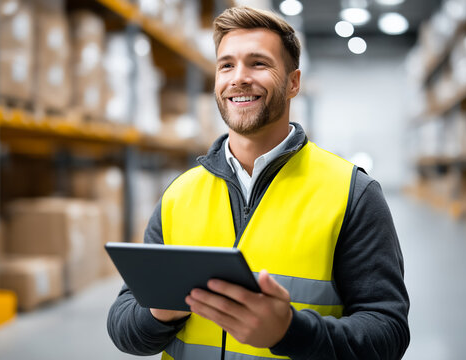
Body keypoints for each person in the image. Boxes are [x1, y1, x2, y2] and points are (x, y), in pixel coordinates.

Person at [107, 6, 409, 360]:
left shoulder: (351, 193)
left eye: (258, 63)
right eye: (226, 65)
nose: (239, 78)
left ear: (293, 82)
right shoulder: (180, 194)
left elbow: (387, 334)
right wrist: (158, 313)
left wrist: (291, 332)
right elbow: (123, 326)